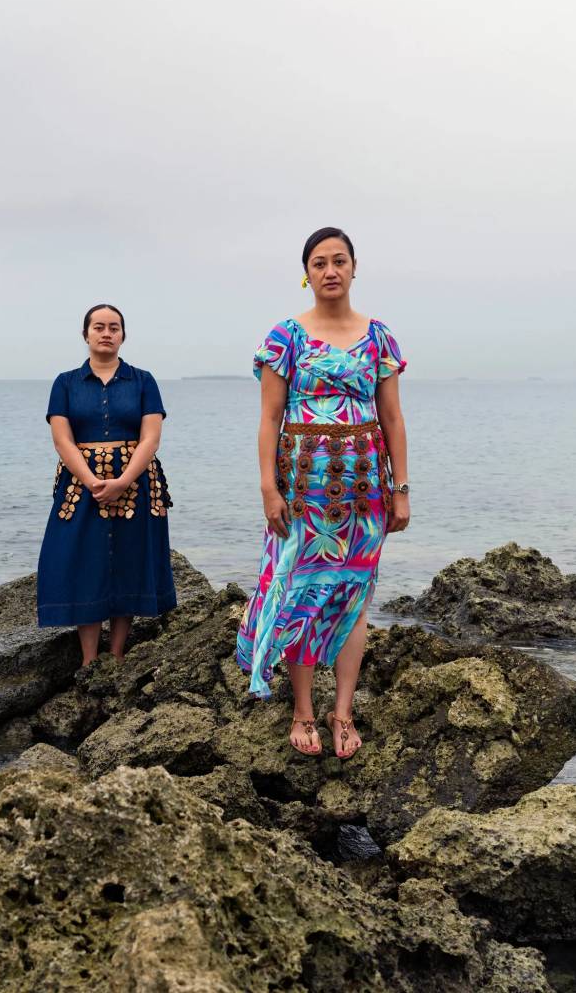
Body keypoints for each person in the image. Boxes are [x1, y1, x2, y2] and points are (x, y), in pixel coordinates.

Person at [236, 227, 409, 759]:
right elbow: (269, 419)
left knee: (354, 597)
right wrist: (268, 488)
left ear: (354, 268)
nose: (330, 271)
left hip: (364, 493)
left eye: (339, 261)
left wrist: (401, 488)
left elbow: (392, 418)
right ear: (306, 274)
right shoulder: (285, 337)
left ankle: (343, 713)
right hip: (302, 492)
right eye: (319, 263)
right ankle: (303, 711)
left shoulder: (378, 338)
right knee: (301, 596)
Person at [37, 303, 176, 664]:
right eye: (98, 327)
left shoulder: (143, 380)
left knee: (129, 559)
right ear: (85, 334)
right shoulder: (65, 383)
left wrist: (124, 480)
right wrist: (92, 481)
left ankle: (116, 655)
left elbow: (151, 437)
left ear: (123, 336)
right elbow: (62, 440)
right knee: (84, 561)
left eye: (114, 327)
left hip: (137, 484)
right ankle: (88, 659)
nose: (106, 333)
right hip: (80, 485)